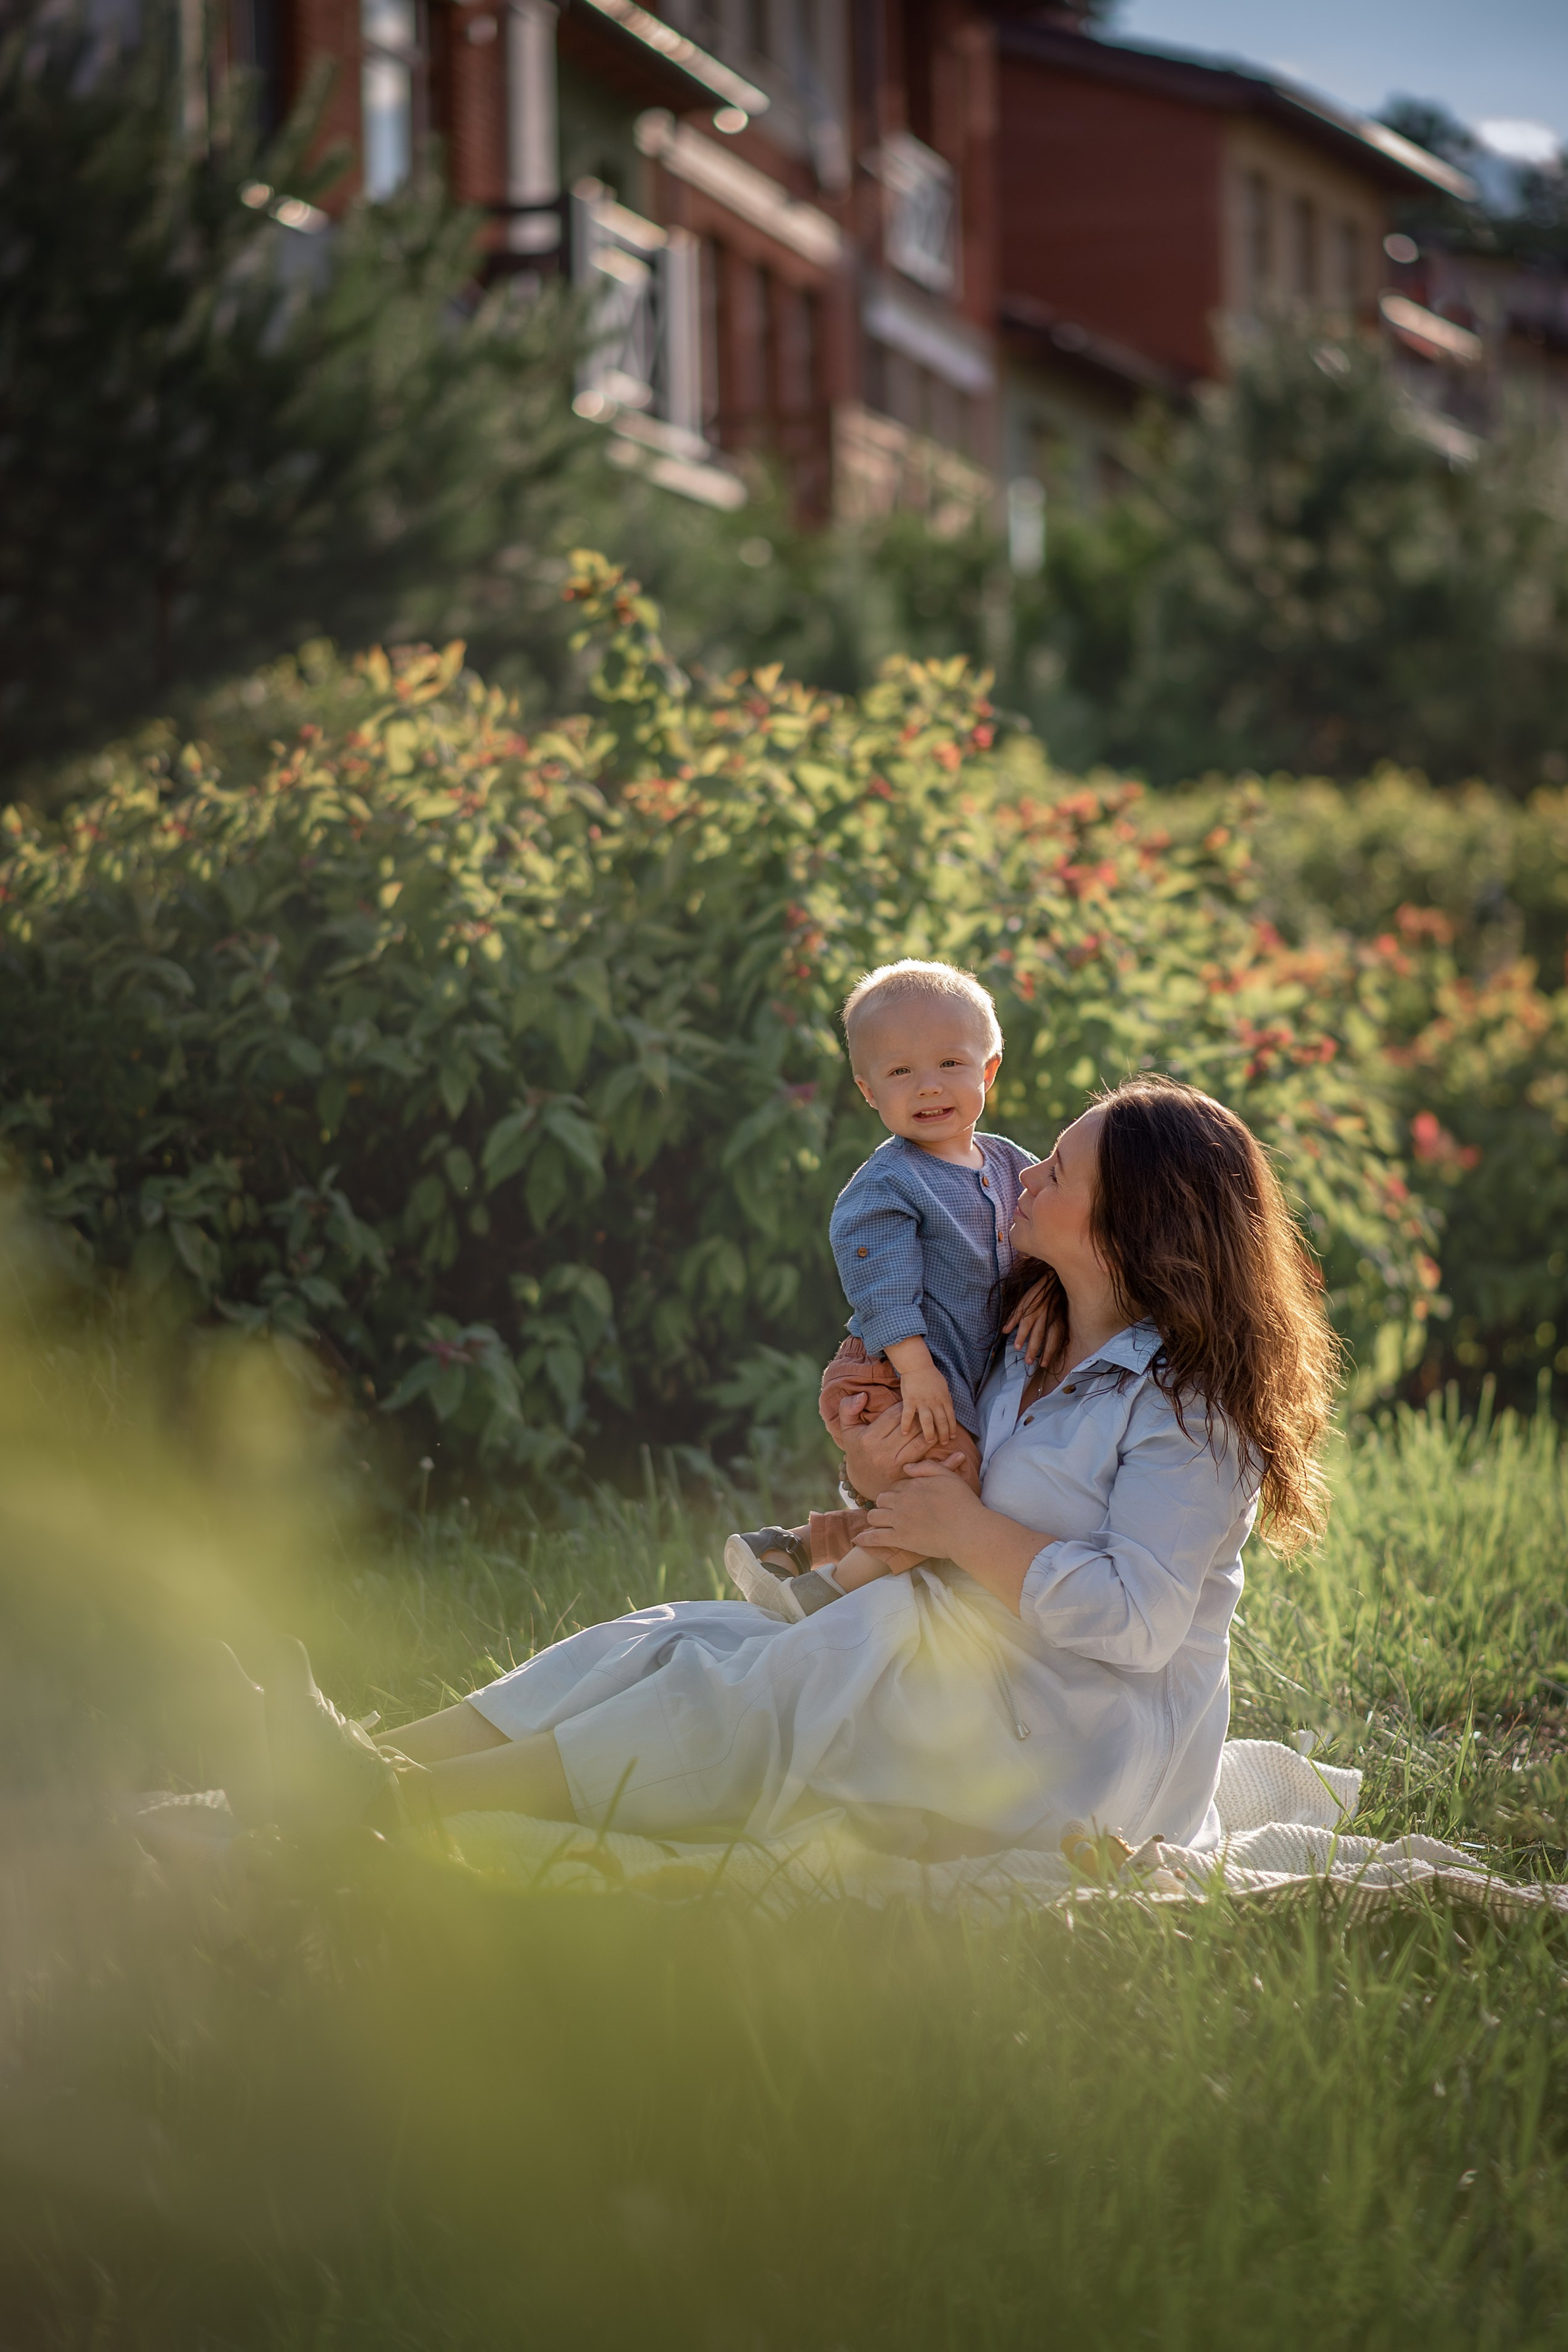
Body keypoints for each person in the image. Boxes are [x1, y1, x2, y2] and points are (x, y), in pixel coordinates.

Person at [343, 1076, 1338, 1862]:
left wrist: (960, 1530)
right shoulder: (1028, 1342)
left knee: (758, 1690)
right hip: (970, 1667)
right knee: (676, 1633)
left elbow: (1137, 1620)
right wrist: (873, 1470)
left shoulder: (1189, 1410)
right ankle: (364, 1756)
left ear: (1132, 1225)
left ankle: (399, 1805)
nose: (1025, 1175)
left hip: (1079, 1755)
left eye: (1060, 1171)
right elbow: (956, 1504)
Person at [723, 958, 1035, 1621]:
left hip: (955, 1376)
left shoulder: (1010, 1163)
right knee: (944, 1489)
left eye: (950, 1063)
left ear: (988, 1071)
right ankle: (830, 1594)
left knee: (948, 1491)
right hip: (898, 1369)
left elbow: (1047, 1239)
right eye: (900, 1072)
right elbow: (883, 1287)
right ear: (868, 1091)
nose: (929, 1086)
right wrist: (917, 1372)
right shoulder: (888, 1184)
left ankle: (800, 1548)